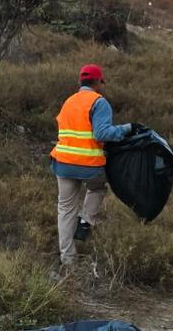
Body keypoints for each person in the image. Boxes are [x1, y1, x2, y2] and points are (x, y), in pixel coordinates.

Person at [49, 64, 134, 268]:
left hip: (63, 164)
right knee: (97, 188)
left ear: (80, 81)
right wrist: (127, 128)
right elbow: (102, 134)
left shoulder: (68, 101)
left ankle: (68, 259)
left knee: (65, 209)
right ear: (97, 82)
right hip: (88, 165)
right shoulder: (99, 102)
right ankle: (86, 220)